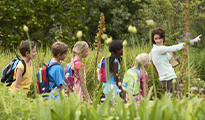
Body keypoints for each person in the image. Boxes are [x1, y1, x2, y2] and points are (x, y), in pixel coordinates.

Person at [149, 27, 202, 95]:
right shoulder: (159, 49)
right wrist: (193, 40)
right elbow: (175, 47)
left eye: (160, 38)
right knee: (177, 100)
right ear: (153, 39)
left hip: (167, 78)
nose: (158, 40)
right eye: (156, 39)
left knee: (174, 101)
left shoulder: (155, 49)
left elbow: (149, 59)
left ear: (163, 38)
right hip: (168, 79)